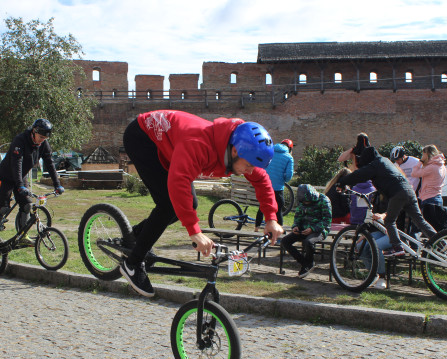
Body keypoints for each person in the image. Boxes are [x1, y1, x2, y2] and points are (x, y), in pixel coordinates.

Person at [119, 110, 283, 297]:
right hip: (143, 137)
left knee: (190, 205)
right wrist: (194, 232)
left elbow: (262, 182)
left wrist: (271, 218)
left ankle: (134, 238)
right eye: (248, 166)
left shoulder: (242, 152)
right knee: (168, 204)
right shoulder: (199, 145)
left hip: (171, 144)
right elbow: (178, 183)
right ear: (235, 151)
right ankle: (132, 264)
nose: (251, 171)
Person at [338, 146, 438, 257]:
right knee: (420, 221)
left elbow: (358, 175)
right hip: (410, 191)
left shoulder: (374, 165)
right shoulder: (385, 161)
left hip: (397, 193)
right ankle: (441, 242)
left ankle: (397, 247)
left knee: (389, 221)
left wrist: (341, 182)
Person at [0, 119, 63, 252]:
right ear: (34, 131)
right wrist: (20, 185)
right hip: (6, 176)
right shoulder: (20, 140)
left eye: (45, 138)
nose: (42, 140)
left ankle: (22, 236)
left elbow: (49, 164)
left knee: (27, 205)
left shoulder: (43, 144)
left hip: (21, 177)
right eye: (41, 137)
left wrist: (57, 184)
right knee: (3, 208)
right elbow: (17, 163)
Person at [280, 184, 332, 278]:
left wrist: (313, 229)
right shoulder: (301, 202)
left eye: (307, 202)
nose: (306, 203)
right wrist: (295, 226)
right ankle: (305, 263)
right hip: (303, 228)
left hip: (319, 230)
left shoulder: (324, 200)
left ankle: (310, 262)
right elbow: (298, 216)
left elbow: (327, 220)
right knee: (285, 241)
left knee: (308, 242)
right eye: (304, 202)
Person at [255, 142, 293, 230]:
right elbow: (288, 176)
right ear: (290, 149)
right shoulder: (289, 157)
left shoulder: (270, 151)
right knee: (278, 210)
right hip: (278, 188)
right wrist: (281, 178)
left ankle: (256, 229)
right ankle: (279, 232)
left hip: (265, 185)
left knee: (262, 207)